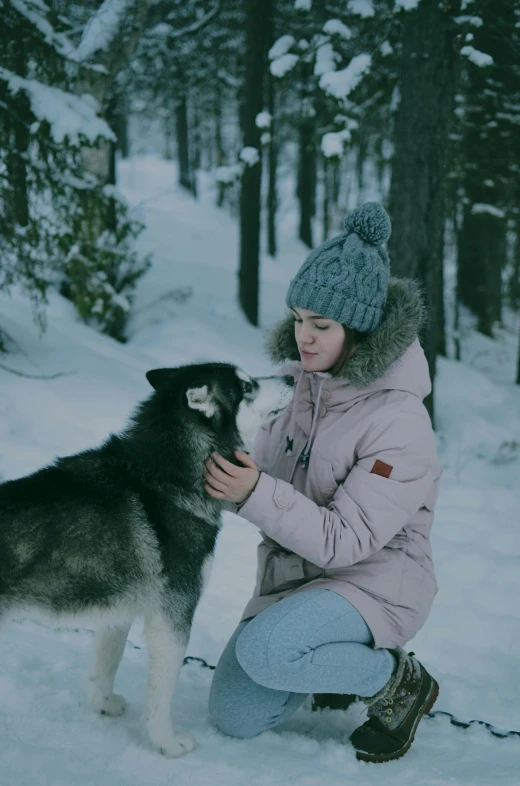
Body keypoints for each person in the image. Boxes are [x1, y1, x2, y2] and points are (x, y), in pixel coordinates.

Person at [204, 202, 442, 763]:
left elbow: (347, 541)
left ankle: (393, 681)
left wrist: (253, 493)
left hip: (376, 583)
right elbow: (254, 467)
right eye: (297, 318)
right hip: (296, 580)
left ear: (359, 330)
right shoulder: (300, 391)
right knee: (234, 716)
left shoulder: (399, 420)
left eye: (321, 324)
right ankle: (325, 659)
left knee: (268, 653)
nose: (302, 336)